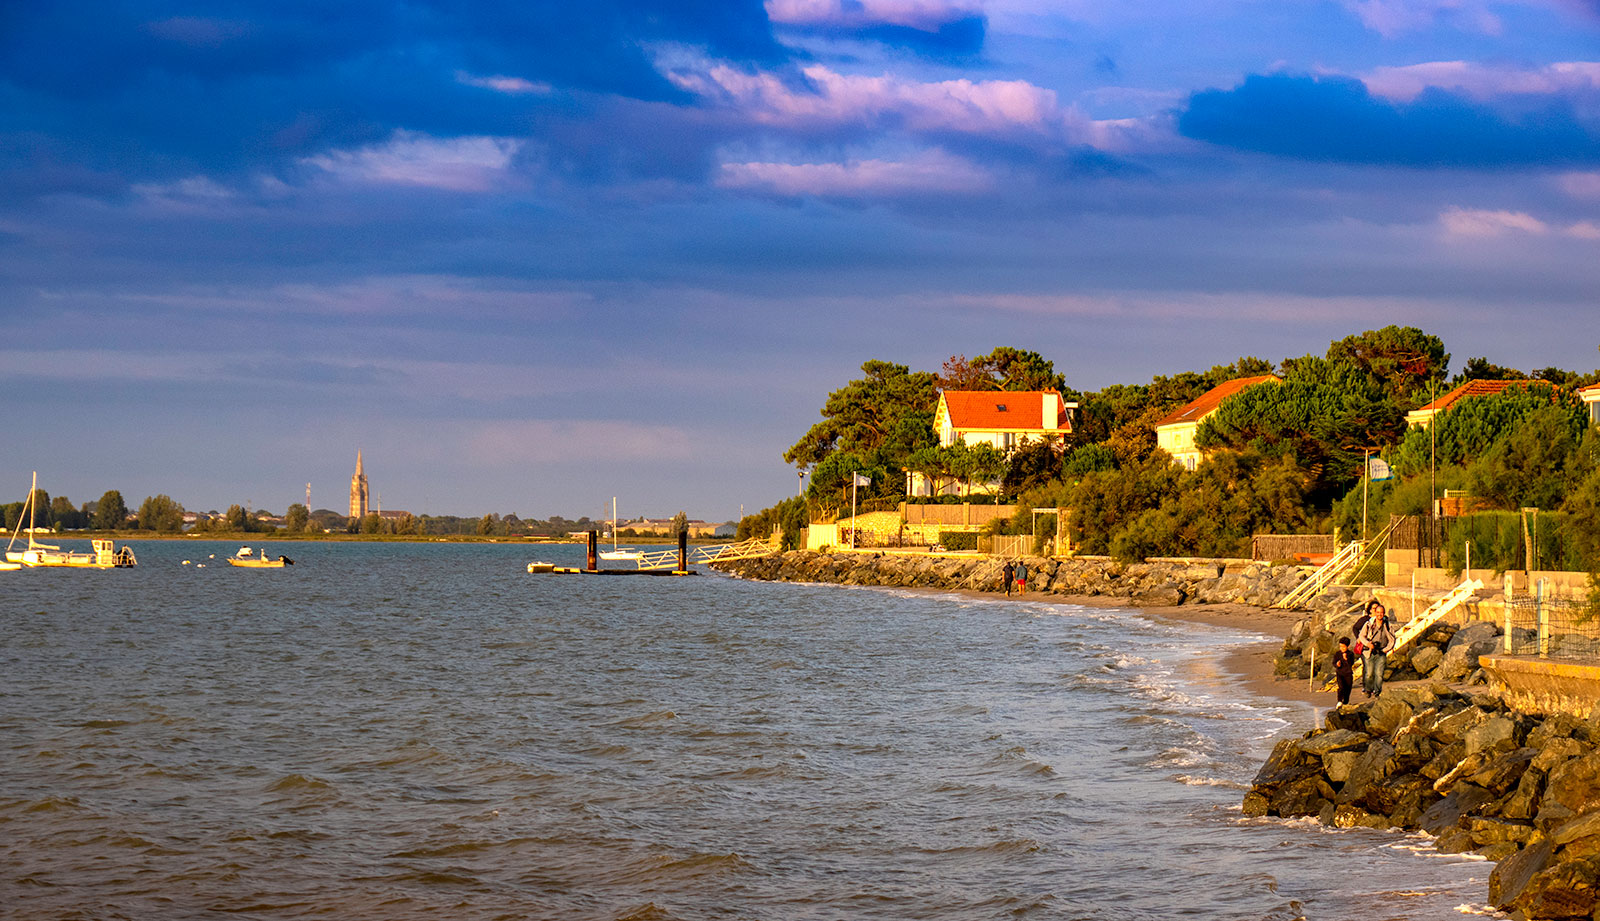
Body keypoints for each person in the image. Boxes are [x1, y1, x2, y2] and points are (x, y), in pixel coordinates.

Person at [1357, 600, 1394, 698]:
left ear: (1384, 613)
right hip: (1369, 652)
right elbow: (1361, 636)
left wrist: (1386, 649)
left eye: (1381, 612)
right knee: (1369, 673)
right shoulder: (1369, 624)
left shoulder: (1388, 625)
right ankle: (1368, 689)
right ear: (1375, 613)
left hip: (1381, 652)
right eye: (1377, 612)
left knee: (1379, 674)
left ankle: (1377, 691)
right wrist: (1368, 644)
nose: (1379, 614)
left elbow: (1392, 640)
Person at [1332, 637, 1356, 706]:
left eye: (1343, 647)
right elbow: (1334, 662)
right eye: (1340, 646)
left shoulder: (1350, 654)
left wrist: (1346, 659)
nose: (1341, 648)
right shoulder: (1337, 654)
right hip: (1340, 673)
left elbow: (1351, 663)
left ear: (1348, 646)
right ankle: (1339, 701)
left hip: (1348, 673)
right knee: (1341, 687)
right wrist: (1337, 665)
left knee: (1348, 688)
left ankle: (1345, 701)